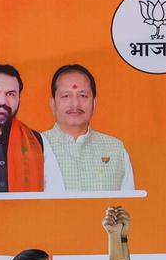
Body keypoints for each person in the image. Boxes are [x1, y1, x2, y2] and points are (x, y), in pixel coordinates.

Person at [0, 64, 61, 192]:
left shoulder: (38, 142)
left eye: (11, 94)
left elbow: (56, 196)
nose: (2, 101)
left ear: (19, 99)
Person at [41, 64, 136, 192]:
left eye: (83, 95)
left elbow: (128, 206)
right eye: (66, 96)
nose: (75, 103)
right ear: (53, 104)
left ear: (94, 103)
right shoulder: (37, 147)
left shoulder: (116, 149)